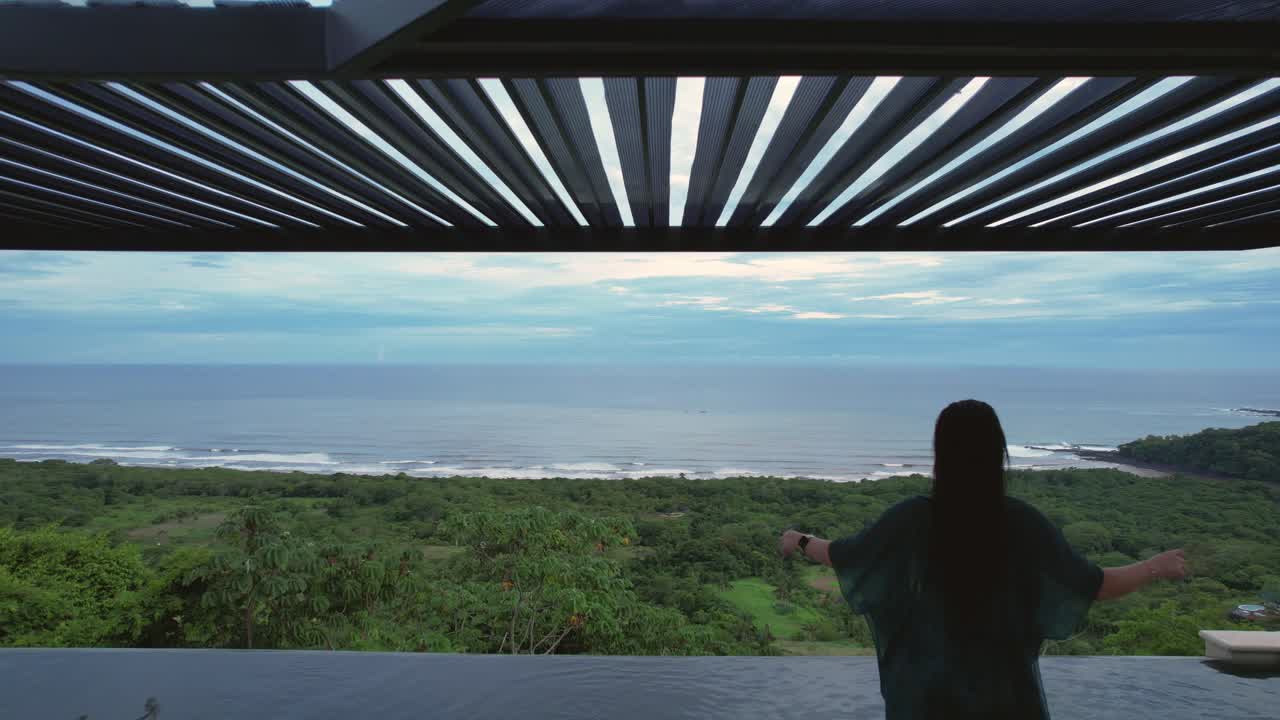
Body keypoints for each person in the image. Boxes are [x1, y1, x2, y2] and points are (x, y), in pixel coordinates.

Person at [780, 399, 1187, 720]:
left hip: (927, 700)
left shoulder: (911, 518)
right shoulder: (1022, 522)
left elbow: (843, 555)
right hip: (1005, 699)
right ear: (997, 452)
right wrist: (1154, 566)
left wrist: (799, 540)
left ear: (941, 452)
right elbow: (1094, 585)